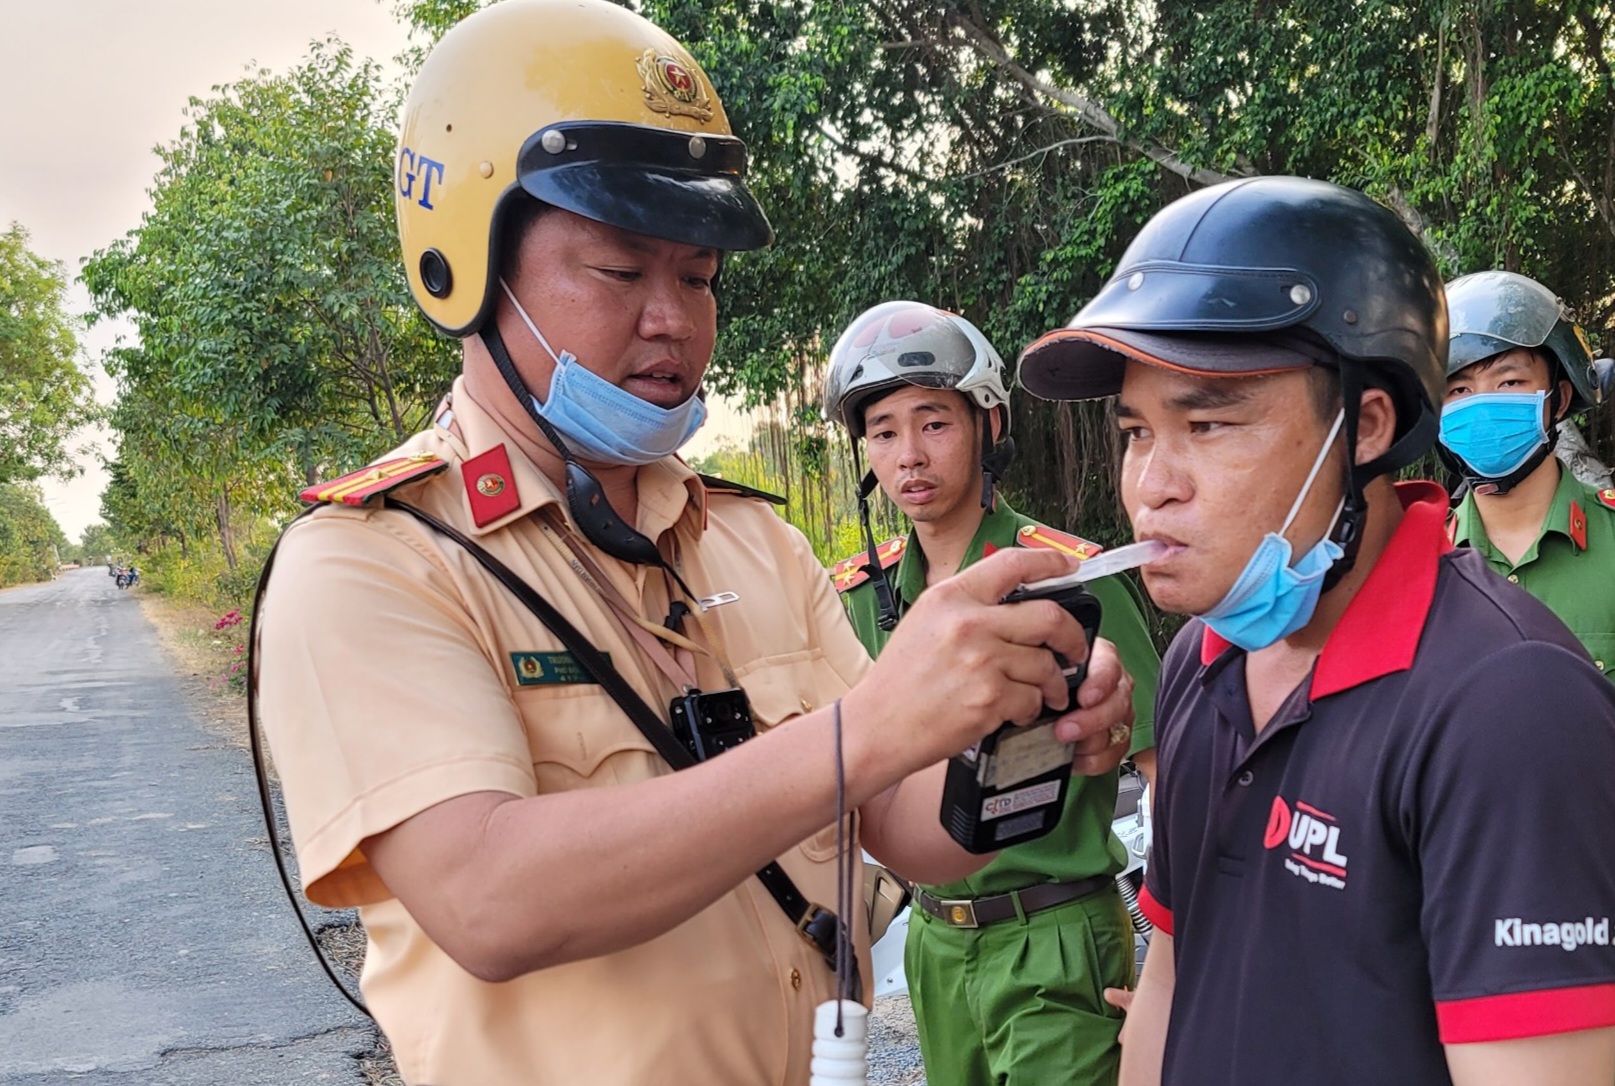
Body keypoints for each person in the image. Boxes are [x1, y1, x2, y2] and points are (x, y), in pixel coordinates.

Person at [252, 3, 1137, 1084]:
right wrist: (864, 731)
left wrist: (1021, 730)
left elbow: (905, 830)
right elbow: (488, 899)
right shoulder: (373, 561)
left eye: (700, 277)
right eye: (620, 272)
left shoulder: (754, 541)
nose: (673, 318)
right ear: (465, 266)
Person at [1018, 175, 1615, 1086]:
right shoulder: (1200, 660)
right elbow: (1170, 982)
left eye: (1206, 423)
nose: (1151, 487)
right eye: (1136, 432)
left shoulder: (1507, 704)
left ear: (1365, 426)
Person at [823, 300, 1161, 1086]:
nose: (909, 455)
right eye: (883, 432)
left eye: (933, 422)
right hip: (933, 942)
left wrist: (1178, 967)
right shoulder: (855, 600)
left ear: (988, 424)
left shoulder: (1071, 579)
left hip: (1056, 931)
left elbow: (1168, 772)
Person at [1437, 270, 1615, 679]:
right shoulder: (1419, 563)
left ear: (1559, 399)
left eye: (1509, 381)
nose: (1482, 406)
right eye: (1458, 390)